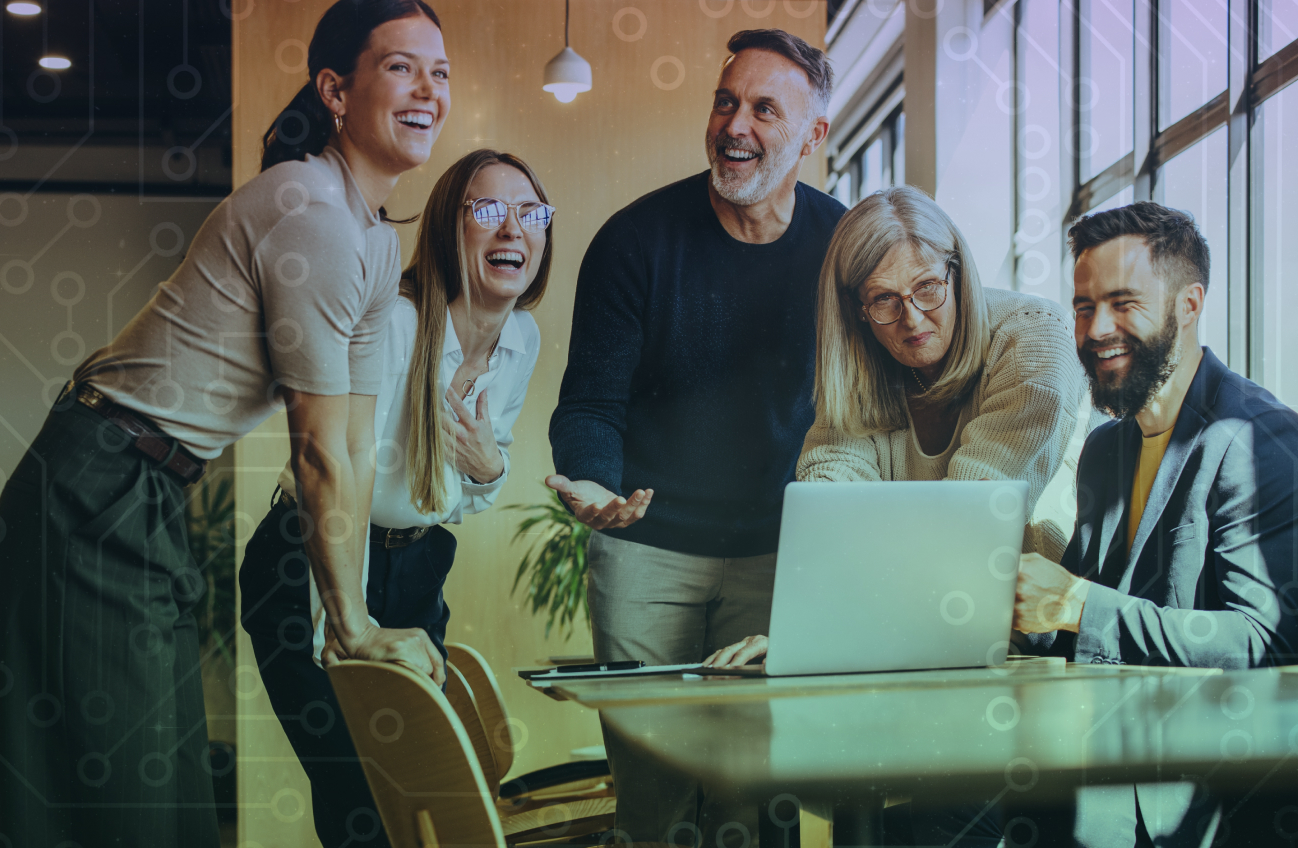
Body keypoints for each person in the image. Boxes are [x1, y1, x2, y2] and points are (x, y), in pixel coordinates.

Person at [0, 1, 448, 845]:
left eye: (440, 72)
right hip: (94, 482)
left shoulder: (374, 246)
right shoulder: (310, 214)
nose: (428, 90)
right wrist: (349, 628)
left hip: (146, 486)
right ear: (336, 91)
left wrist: (357, 618)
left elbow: (352, 444)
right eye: (402, 66)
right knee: (122, 797)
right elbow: (312, 451)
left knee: (162, 788)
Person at [547, 28, 846, 845]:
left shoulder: (843, 248)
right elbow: (589, 405)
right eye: (724, 101)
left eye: (762, 108)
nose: (734, 125)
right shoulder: (634, 241)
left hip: (780, 555)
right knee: (658, 799)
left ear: (813, 137)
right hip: (646, 552)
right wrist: (593, 482)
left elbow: (869, 407)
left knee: (761, 801)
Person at [241, 148, 551, 846]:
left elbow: (467, 496)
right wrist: (341, 626)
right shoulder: (397, 323)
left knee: (418, 792)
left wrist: (486, 469)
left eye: (531, 213)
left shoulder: (520, 340)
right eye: (489, 211)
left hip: (415, 567)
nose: (514, 231)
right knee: (363, 798)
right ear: (448, 227)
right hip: (312, 559)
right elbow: (337, 472)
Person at [1001, 202, 1298, 845]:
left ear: (1189, 305)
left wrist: (1075, 602)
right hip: (1100, 762)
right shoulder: (1108, 448)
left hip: (1206, 794)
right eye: (1083, 307)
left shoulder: (1254, 440)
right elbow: (1074, 626)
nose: (1096, 328)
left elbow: (1266, 644)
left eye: (1122, 302)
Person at [703, 184, 1087, 670]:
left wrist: (828, 633)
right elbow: (831, 515)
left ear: (958, 271)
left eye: (927, 287)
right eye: (884, 299)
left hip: (1038, 641)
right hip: (908, 629)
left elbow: (967, 528)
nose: (913, 319)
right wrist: (805, 635)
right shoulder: (860, 370)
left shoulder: (1034, 338)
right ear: (857, 312)